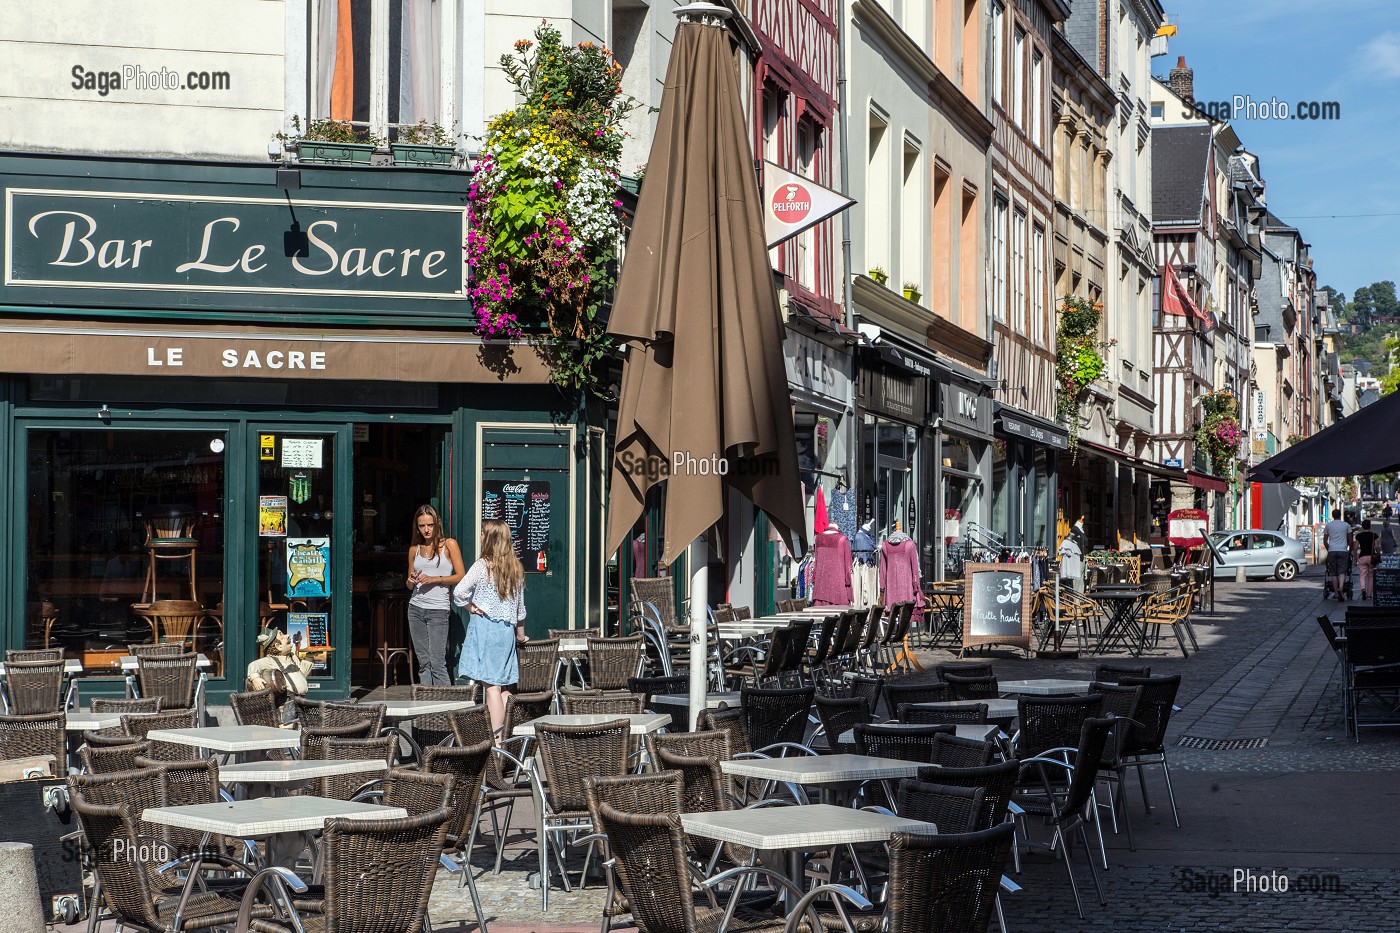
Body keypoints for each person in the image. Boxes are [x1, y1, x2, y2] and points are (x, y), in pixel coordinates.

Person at [453, 518, 527, 738]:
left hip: (486, 630)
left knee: (491, 687)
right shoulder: (515, 566)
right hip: (506, 633)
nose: (481, 537)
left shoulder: (482, 565)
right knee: (504, 688)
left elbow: (459, 592)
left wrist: (470, 607)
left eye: (483, 534)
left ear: (490, 538)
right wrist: (521, 636)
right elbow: (520, 610)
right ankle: (506, 737)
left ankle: (497, 741)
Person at [406, 505, 465, 686]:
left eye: (430, 525)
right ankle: (425, 706)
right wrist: (412, 580)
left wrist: (435, 579)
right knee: (423, 663)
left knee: (437, 662)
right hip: (415, 608)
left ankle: (445, 707)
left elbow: (461, 575)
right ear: (417, 527)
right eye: (422, 526)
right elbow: (408, 584)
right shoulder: (414, 549)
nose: (426, 530)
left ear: (437, 524)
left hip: (438, 609)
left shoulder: (449, 544)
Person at [246, 627, 316, 722]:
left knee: (299, 724)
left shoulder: (292, 657)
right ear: (278, 646)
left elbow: (302, 672)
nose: (288, 635)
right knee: (287, 724)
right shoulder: (271, 660)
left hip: (300, 700)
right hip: (287, 701)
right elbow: (253, 665)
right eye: (282, 636)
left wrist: (309, 658)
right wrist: (255, 678)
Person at [1324, 508, 1353, 601]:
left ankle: (1336, 593)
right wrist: (1349, 550)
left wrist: (1329, 549)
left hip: (1332, 550)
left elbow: (1325, 541)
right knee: (1342, 572)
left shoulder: (1328, 526)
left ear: (1332, 516)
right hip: (1343, 550)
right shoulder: (1346, 525)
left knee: (1333, 573)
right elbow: (1351, 540)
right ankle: (1341, 588)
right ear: (1340, 515)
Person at [1354, 518, 1379, 601]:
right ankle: (1369, 595)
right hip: (1371, 557)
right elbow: (1377, 546)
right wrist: (1378, 554)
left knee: (1362, 575)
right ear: (1370, 526)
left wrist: (1355, 557)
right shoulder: (1374, 535)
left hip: (1362, 557)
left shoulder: (1359, 536)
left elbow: (1355, 547)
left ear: (1362, 527)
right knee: (1371, 577)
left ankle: (1363, 589)